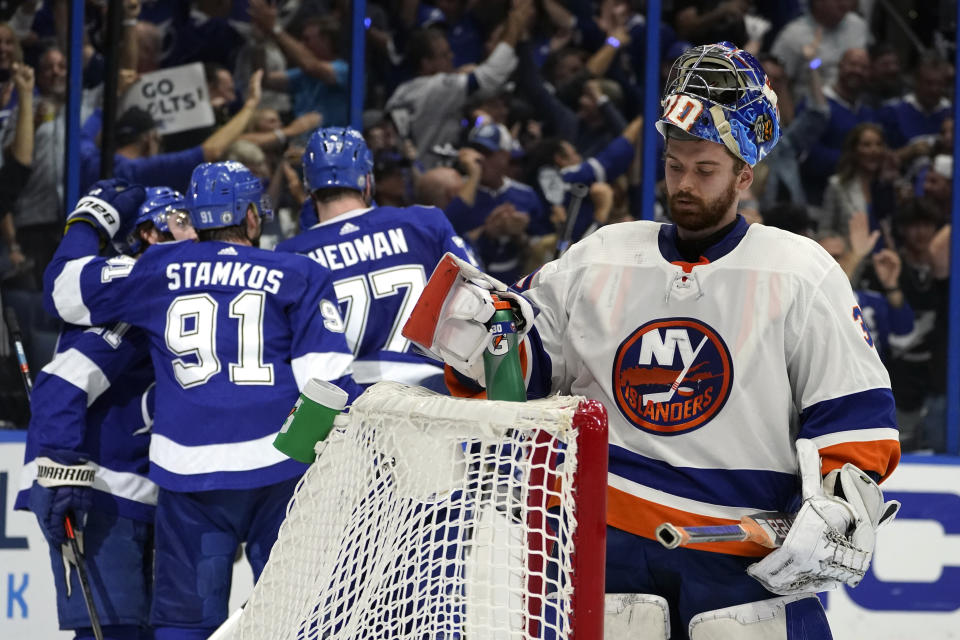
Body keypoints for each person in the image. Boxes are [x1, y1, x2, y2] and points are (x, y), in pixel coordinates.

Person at [405, 42, 901, 640]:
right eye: (674, 166)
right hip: (610, 553)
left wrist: (838, 504)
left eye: (705, 170)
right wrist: (487, 329)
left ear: (744, 175)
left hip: (740, 571)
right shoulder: (601, 256)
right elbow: (524, 371)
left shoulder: (801, 273)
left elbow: (855, 421)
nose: (684, 184)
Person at [42, 170, 359, 639]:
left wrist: (89, 222)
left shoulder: (157, 267)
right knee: (298, 615)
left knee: (185, 625)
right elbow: (330, 385)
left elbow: (61, 290)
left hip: (190, 472)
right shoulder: (298, 272)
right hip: (281, 470)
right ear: (252, 217)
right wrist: (307, 464)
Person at [14, 188, 179, 640]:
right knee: (113, 632)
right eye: (179, 223)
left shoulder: (172, 293)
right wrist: (62, 467)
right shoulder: (136, 297)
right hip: (103, 497)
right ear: (147, 234)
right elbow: (62, 383)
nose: (195, 233)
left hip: (144, 495)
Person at [276, 127, 477, 393]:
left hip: (347, 400)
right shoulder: (426, 222)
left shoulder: (288, 255)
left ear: (309, 189)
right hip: (435, 390)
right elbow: (478, 300)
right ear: (367, 181)